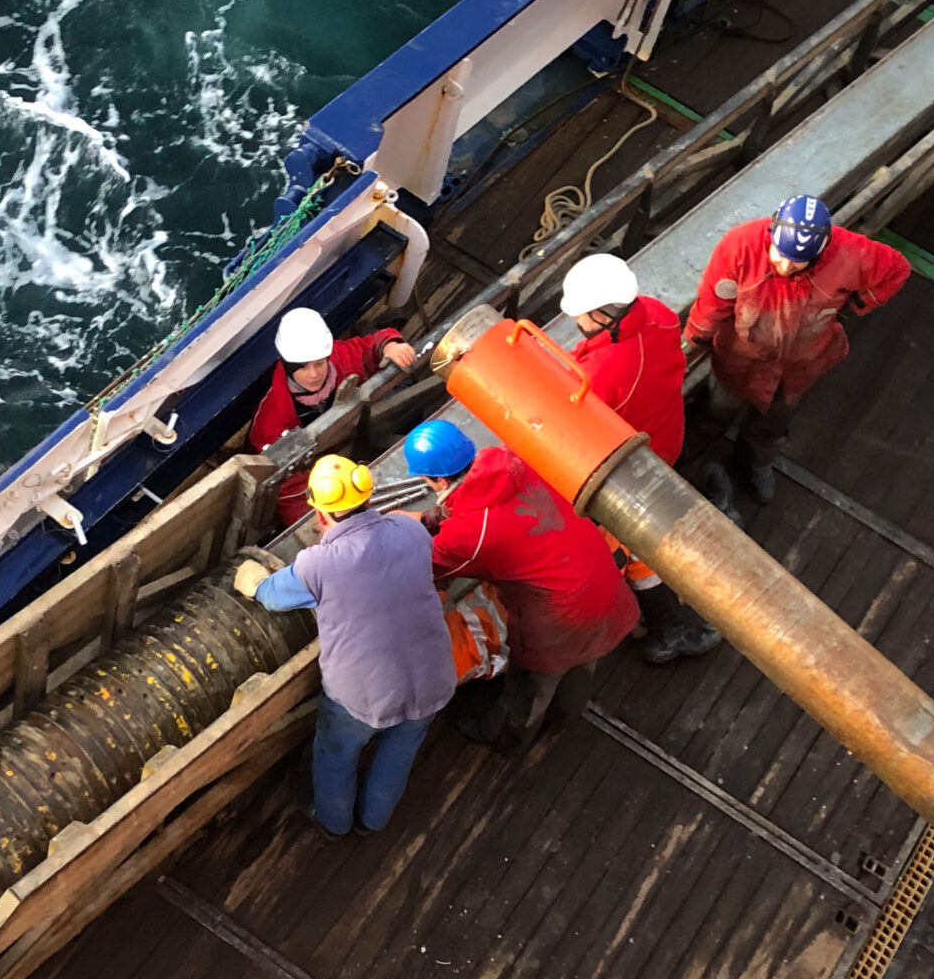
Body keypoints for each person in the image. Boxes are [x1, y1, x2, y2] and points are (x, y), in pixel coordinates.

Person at [234, 454, 453, 837]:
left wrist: (248, 574)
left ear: (321, 515)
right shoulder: (411, 531)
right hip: (433, 676)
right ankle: (373, 822)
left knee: (336, 756)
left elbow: (267, 594)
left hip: (363, 697)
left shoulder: (318, 565)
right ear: (370, 498)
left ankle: (333, 823)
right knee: (398, 754)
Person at [394, 420, 639, 753]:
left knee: (531, 684)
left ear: (437, 480)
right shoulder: (516, 458)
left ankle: (511, 740)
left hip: (561, 617)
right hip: (602, 581)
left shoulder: (468, 535)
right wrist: (434, 517)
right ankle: (563, 720)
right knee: (585, 661)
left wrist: (408, 529)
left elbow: (425, 568)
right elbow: (486, 505)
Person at [685, 194, 910, 503]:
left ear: (820, 252)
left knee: (772, 425)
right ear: (772, 232)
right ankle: (693, 459)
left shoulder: (850, 253)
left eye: (798, 260)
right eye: (780, 253)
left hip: (798, 369)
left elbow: (896, 269)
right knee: (715, 411)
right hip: (739, 361)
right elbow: (712, 302)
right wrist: (695, 338)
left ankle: (755, 465)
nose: (785, 265)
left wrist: (855, 305)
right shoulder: (741, 247)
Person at [560, 254, 721, 664]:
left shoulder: (603, 374)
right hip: (665, 438)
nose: (576, 321)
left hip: (629, 471)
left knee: (635, 552)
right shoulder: (661, 315)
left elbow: (578, 430)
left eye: (581, 314)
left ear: (601, 315)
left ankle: (665, 633)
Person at [250, 308, 419, 526]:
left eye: (319, 364)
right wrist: (317, 521)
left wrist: (390, 345)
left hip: (354, 442)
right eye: (302, 368)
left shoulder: (342, 358)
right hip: (319, 480)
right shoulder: (271, 419)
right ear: (288, 367)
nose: (313, 374)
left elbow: (371, 345)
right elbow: (287, 487)